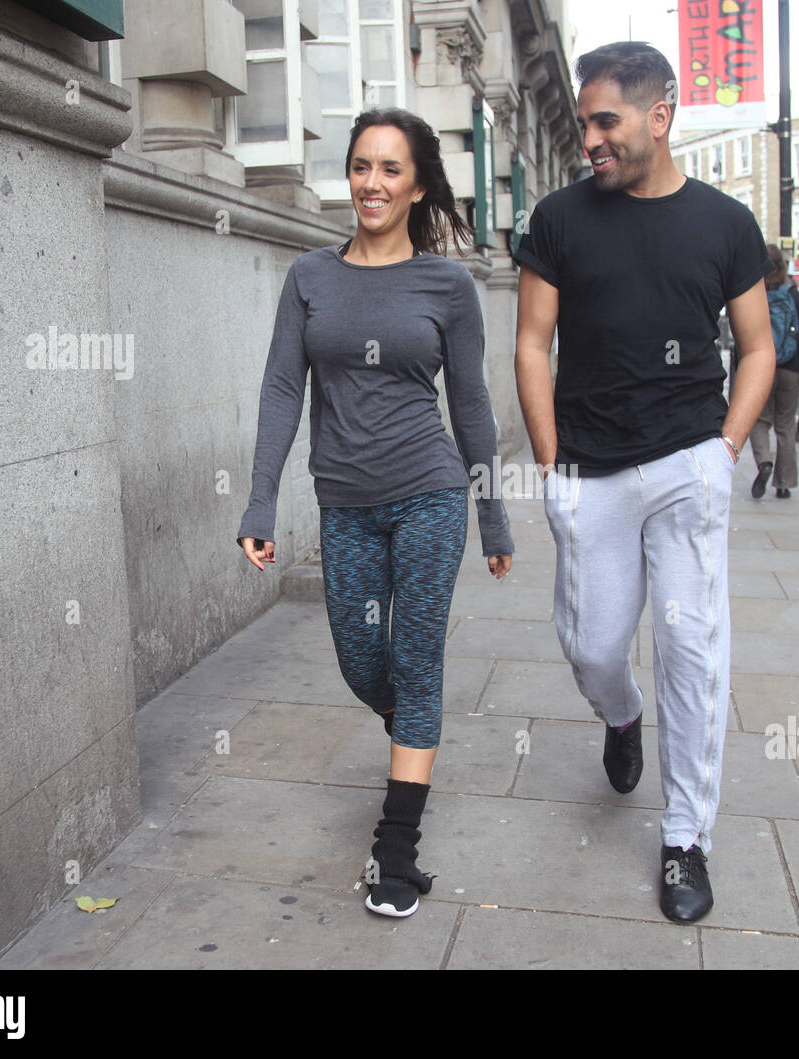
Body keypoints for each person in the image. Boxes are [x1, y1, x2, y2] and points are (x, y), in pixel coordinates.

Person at [513, 41, 776, 924]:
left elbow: (758, 348)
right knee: (592, 645)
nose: (590, 137)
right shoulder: (558, 219)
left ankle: (685, 837)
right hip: (589, 467)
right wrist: (550, 464)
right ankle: (621, 718)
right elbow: (530, 343)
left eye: (604, 121)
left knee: (693, 652)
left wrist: (725, 450)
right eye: (585, 121)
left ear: (659, 117)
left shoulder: (725, 224)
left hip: (686, 464)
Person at [236, 108, 514, 919]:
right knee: (365, 664)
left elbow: (470, 402)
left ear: (417, 184)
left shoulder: (447, 285)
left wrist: (492, 516)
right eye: (361, 166)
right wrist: (259, 498)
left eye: (391, 169)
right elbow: (283, 386)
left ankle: (396, 855)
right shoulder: (310, 278)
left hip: (430, 494)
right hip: (345, 503)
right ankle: (413, 731)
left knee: (418, 660)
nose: (372, 183)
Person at [749, 244, 799, 499]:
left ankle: (763, 463)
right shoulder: (792, 293)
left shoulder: (753, 292)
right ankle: (784, 484)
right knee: (785, 426)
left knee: (759, 420)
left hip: (761, 367)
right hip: (791, 368)